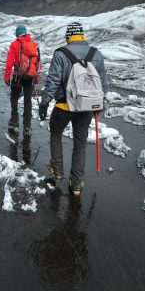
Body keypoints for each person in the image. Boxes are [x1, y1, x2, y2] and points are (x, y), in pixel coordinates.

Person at [38, 22, 108, 197]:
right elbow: (103, 83)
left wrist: (44, 102)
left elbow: (53, 81)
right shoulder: (96, 54)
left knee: (55, 133)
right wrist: (100, 104)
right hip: (87, 107)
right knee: (80, 144)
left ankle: (57, 170)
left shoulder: (61, 53)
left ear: (68, 36)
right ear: (82, 35)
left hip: (64, 105)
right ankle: (76, 185)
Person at [4, 24, 40, 136]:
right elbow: (38, 62)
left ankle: (14, 121)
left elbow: (10, 62)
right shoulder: (34, 45)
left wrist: (7, 76)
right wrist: (37, 77)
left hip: (17, 77)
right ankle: (27, 126)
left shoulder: (14, 44)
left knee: (14, 97)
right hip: (30, 77)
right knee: (27, 100)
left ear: (17, 33)